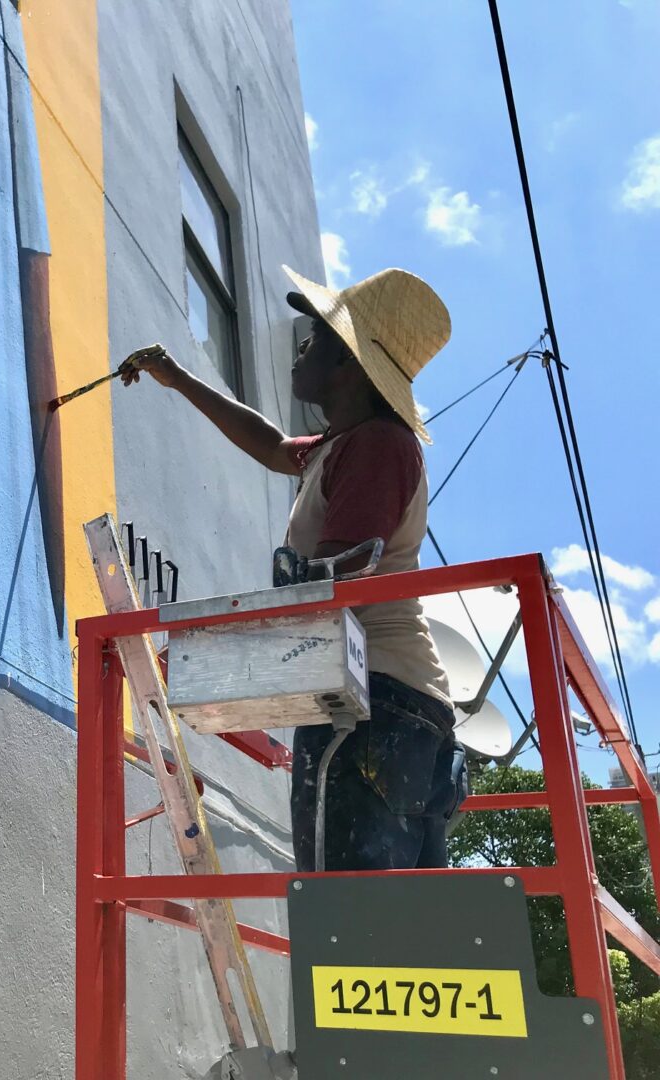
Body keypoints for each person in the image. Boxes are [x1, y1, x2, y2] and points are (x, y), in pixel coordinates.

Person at [120, 264, 466, 872]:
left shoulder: (378, 446)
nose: (302, 345)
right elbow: (274, 446)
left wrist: (227, 660)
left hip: (373, 706)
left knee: (347, 924)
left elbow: (336, 595)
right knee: (391, 934)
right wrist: (177, 379)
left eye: (318, 336)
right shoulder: (346, 443)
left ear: (349, 365)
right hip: (387, 706)